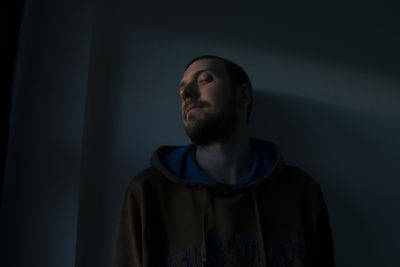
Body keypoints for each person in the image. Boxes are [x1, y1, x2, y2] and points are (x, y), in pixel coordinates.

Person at [113, 55, 335, 267]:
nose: (186, 93)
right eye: (182, 88)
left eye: (205, 79)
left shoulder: (300, 192)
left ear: (244, 95)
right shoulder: (148, 191)